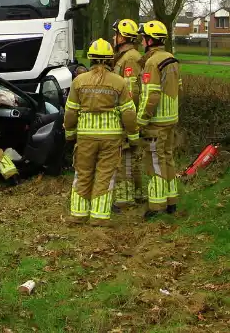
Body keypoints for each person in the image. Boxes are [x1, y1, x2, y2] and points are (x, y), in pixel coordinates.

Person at [64, 39, 138, 225]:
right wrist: (133, 135)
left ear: (91, 58)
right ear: (109, 59)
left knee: (83, 173)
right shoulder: (119, 82)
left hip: (86, 137)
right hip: (111, 138)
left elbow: (71, 111)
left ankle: (78, 214)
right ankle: (99, 216)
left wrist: (70, 134)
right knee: (105, 174)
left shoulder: (79, 81)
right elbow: (129, 113)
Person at [137, 20, 182, 219]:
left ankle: (156, 206)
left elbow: (151, 95)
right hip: (171, 119)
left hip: (156, 123)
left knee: (155, 162)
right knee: (168, 159)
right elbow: (179, 87)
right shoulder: (171, 58)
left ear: (149, 40)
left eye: (143, 38)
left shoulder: (151, 62)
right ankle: (171, 201)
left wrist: (140, 120)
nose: (141, 41)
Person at [111, 18, 144, 208]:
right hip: (127, 114)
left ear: (122, 37)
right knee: (132, 155)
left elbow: (132, 92)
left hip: (127, 115)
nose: (113, 37)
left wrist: (127, 117)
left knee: (125, 157)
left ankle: (125, 199)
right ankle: (138, 195)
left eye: (116, 34)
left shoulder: (130, 58)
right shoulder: (125, 57)